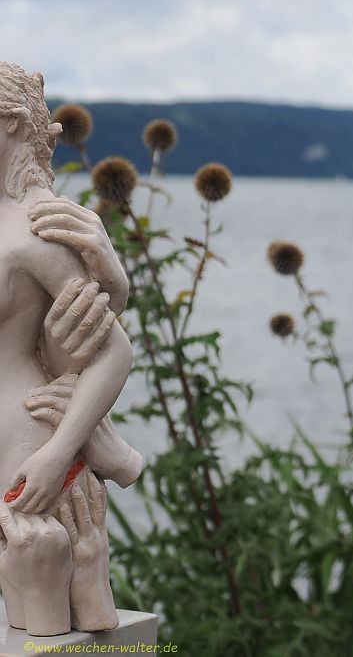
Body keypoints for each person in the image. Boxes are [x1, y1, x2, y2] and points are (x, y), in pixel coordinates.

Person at [0, 63, 137, 635]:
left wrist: (59, 453)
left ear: (11, 124)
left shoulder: (38, 227)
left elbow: (114, 351)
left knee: (48, 618)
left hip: (24, 438)